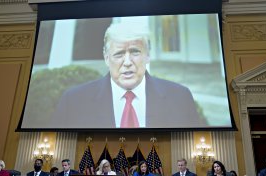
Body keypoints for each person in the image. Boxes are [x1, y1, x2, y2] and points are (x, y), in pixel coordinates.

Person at [51, 23, 204, 128]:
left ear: (148, 55)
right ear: (106, 58)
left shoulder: (180, 97)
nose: (127, 62)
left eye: (135, 52)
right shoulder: (73, 101)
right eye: (119, 54)